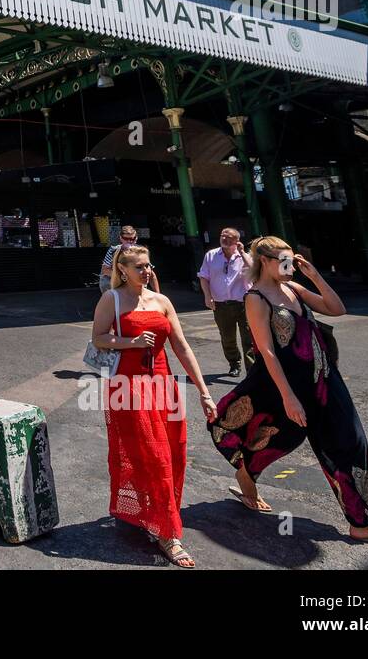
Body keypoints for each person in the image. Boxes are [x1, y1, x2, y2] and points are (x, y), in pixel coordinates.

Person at [208, 236, 368, 553]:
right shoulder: (256, 297)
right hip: (283, 386)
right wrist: (289, 397)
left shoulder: (294, 289)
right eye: (285, 261)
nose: (291, 268)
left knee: (351, 440)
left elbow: (337, 309)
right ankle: (247, 478)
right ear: (265, 261)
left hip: (325, 379)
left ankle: (361, 524)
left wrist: (314, 275)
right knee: (277, 441)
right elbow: (267, 352)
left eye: (293, 261)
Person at [91, 243, 219, 568]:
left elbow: (181, 346)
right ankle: (168, 534)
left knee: (173, 454)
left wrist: (203, 391)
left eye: (149, 266)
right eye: (139, 267)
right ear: (123, 270)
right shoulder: (113, 299)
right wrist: (129, 342)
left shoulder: (161, 301)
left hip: (164, 386)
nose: (146, 272)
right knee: (152, 455)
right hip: (129, 388)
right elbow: (98, 338)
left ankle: (155, 515)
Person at [198, 228, 256, 375]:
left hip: (244, 303)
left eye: (229, 237)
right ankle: (234, 364)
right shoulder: (211, 255)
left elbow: (254, 269)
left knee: (249, 338)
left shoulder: (244, 256)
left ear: (237, 241)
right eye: (222, 236)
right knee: (227, 337)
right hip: (221, 304)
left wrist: (242, 253)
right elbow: (204, 277)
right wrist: (207, 296)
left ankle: (252, 369)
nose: (224, 238)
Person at [98, 225, 158, 292]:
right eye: (126, 239)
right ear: (121, 238)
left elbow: (151, 274)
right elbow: (105, 270)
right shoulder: (114, 250)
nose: (130, 241)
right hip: (114, 286)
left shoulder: (140, 251)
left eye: (133, 239)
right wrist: (124, 277)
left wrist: (158, 295)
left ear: (136, 238)